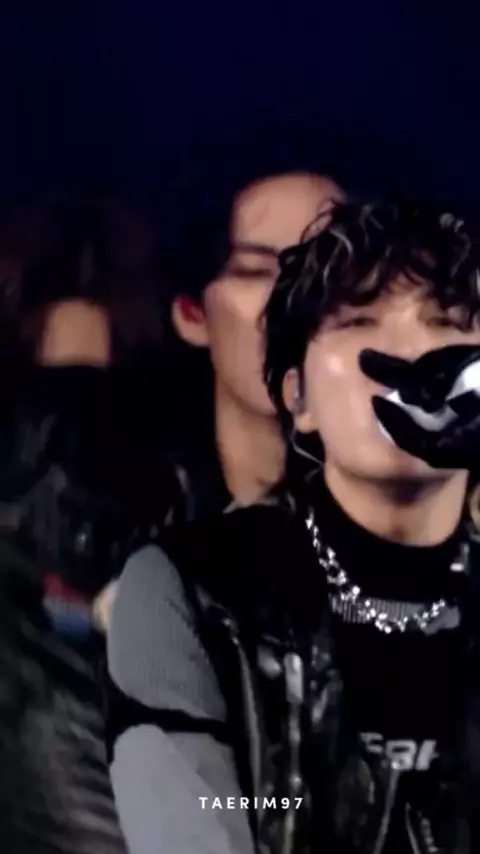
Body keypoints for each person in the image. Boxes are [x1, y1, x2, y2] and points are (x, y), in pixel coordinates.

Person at [107, 197, 480, 854]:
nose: (409, 355)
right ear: (297, 396)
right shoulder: (193, 587)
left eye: (445, 324)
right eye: (360, 321)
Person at [156, 129, 343, 518]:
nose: (296, 299)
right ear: (192, 313)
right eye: (256, 271)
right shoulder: (129, 513)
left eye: (328, 266)